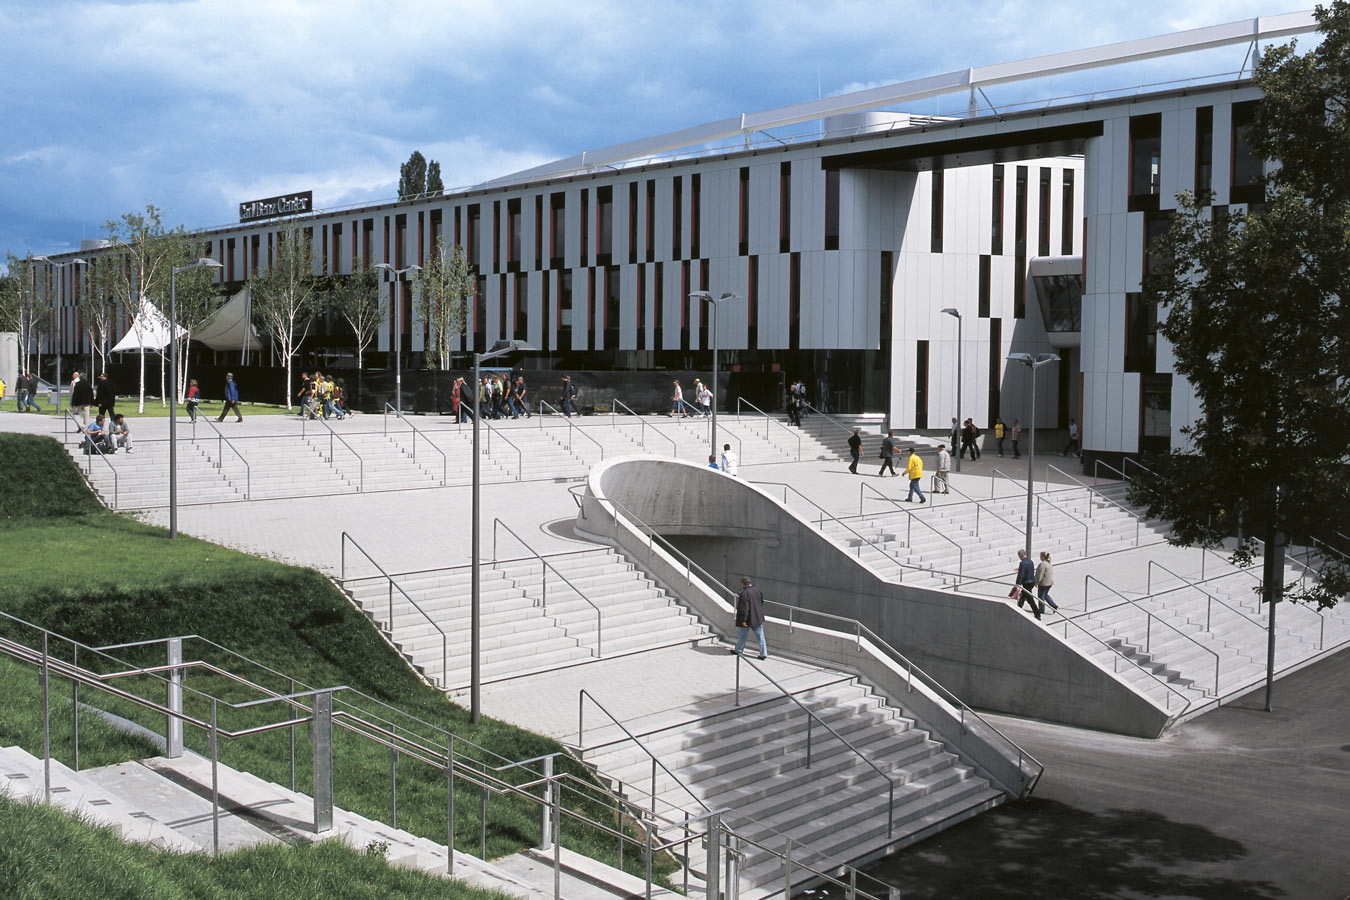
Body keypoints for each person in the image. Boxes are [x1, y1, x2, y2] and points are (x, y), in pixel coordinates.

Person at [731, 576, 768, 659]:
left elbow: (744, 608)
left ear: (743, 583)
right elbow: (761, 602)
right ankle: (763, 654)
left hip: (748, 619)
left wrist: (743, 620)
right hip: (757, 617)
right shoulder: (757, 590)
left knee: (742, 636)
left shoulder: (744, 593)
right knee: (760, 637)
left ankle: (738, 650)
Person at [1014, 549, 1041, 621]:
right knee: (1023, 597)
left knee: (1030, 599)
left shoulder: (1023, 563)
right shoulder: (1030, 561)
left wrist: (1018, 584)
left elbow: (1021, 574)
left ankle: (1037, 614)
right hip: (1031, 581)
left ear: (1021, 555)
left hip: (1026, 582)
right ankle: (1018, 609)